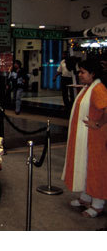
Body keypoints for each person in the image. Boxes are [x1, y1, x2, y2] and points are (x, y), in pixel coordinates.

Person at [61, 59, 107, 218]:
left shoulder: (98, 89)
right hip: (85, 138)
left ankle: (98, 204)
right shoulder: (88, 88)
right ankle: (86, 197)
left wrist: (99, 123)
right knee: (85, 166)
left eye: (83, 72)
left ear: (93, 74)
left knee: (95, 170)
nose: (79, 75)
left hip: (95, 139)